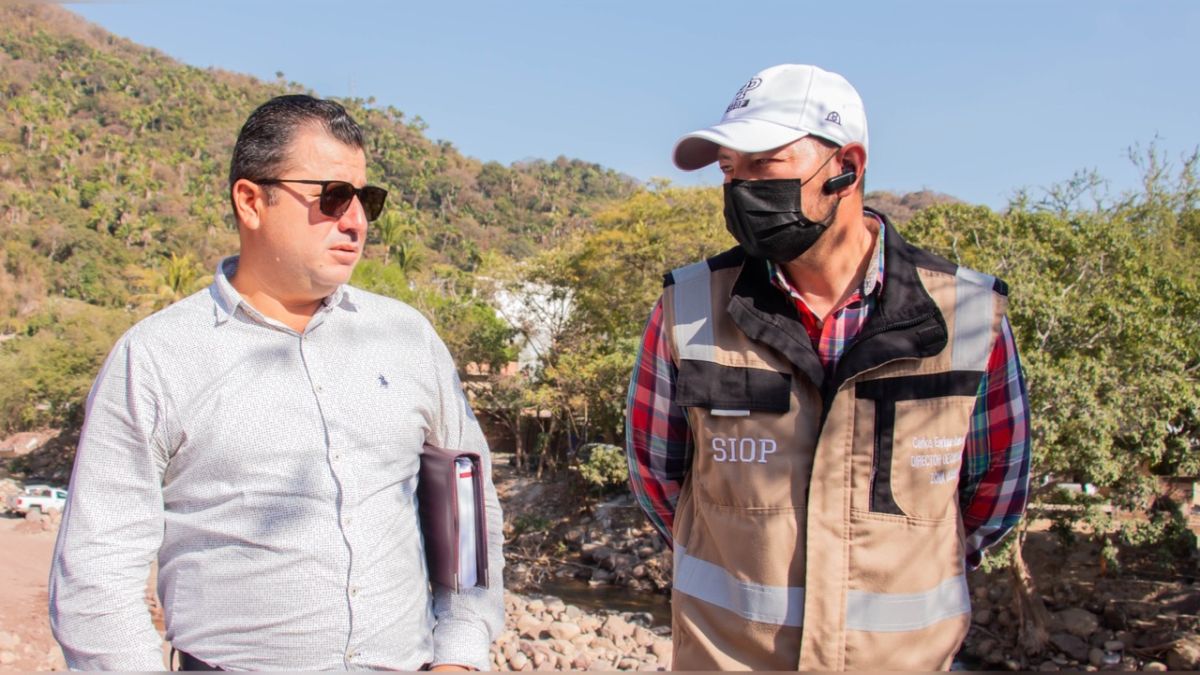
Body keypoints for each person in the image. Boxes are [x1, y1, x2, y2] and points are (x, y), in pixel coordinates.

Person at [49, 95, 503, 671]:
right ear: (251, 201)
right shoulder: (157, 357)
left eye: (366, 199)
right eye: (332, 196)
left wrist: (459, 654)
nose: (356, 221)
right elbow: (96, 574)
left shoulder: (407, 337)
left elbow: (470, 508)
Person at [625, 64, 1031, 670]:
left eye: (765, 164)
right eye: (730, 170)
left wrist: (901, 560)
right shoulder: (688, 308)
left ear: (848, 166)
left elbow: (993, 495)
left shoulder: (969, 316)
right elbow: (659, 480)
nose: (741, 189)